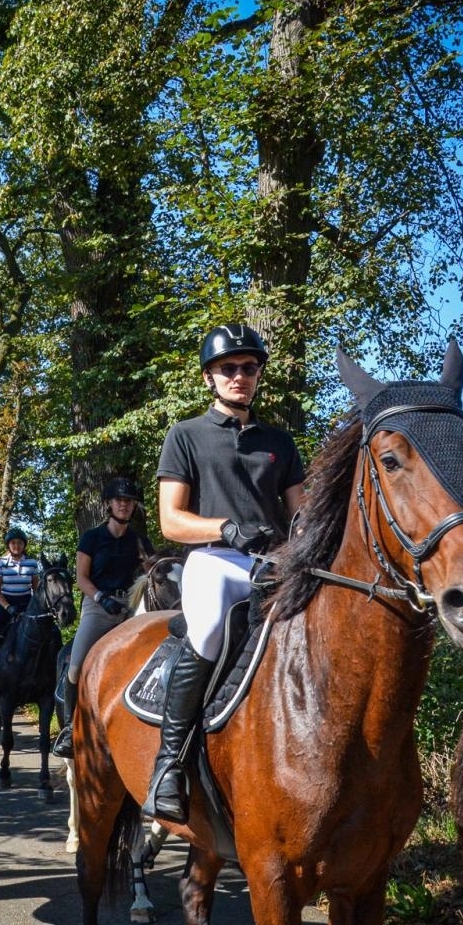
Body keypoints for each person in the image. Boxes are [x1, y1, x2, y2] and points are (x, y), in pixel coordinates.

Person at [144, 323, 305, 823]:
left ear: (259, 376)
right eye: (228, 369)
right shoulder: (185, 436)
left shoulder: (279, 441)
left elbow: (301, 515)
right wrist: (226, 528)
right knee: (211, 626)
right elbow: (171, 520)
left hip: (275, 563)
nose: (239, 376)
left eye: (248, 368)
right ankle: (168, 766)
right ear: (209, 378)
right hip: (214, 559)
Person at [51, 476, 154, 758]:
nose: (124, 505)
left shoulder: (140, 541)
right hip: (98, 606)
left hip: (131, 606)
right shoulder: (92, 538)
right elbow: (81, 578)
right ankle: (70, 729)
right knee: (75, 666)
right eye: (119, 500)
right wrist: (100, 598)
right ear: (108, 504)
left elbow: (151, 573)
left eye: (129, 501)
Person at [0, 526, 43, 688]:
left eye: (19, 543)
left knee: (47, 631)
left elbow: (36, 589)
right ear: (8, 545)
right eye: (13, 543)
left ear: (24, 545)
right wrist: (8, 607)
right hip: (5, 604)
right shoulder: (1, 562)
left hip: (26, 604)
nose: (16, 546)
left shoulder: (32, 563)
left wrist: (34, 608)